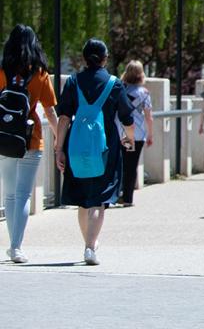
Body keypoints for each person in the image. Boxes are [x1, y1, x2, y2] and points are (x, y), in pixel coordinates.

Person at [54, 39, 134, 266]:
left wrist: (59, 149)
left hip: (77, 146)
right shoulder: (114, 83)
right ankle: (90, 246)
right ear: (105, 59)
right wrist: (129, 137)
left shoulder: (73, 82)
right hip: (105, 148)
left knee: (83, 200)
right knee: (99, 200)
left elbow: (64, 118)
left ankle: (88, 242)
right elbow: (127, 117)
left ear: (84, 58)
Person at [0, 25, 58, 264]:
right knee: (24, 195)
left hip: (4, 138)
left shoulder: (2, 70)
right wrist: (59, 137)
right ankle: (16, 247)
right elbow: (50, 110)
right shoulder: (41, 73)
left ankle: (13, 246)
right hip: (31, 137)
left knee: (10, 195)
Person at [116, 60, 153, 206]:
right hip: (137, 134)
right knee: (132, 165)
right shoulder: (144, 93)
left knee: (122, 163)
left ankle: (118, 193)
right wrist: (150, 134)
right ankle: (128, 198)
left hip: (124, 132)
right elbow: (149, 116)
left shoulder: (121, 90)